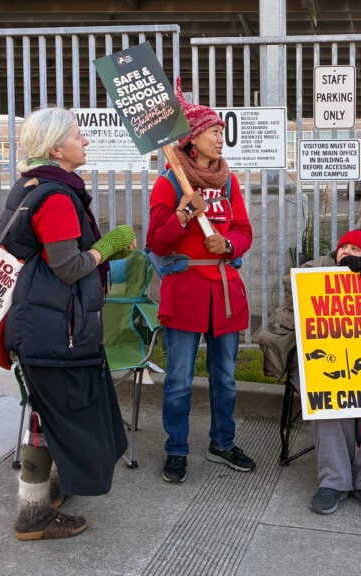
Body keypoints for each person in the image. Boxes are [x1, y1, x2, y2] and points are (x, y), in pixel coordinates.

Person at [0, 107, 135, 540]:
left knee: (49, 416)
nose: (86, 142)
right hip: (55, 331)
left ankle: (49, 492)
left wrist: (102, 252)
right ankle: (32, 515)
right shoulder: (56, 197)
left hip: (43, 324)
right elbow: (69, 266)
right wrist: (107, 247)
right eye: (79, 136)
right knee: (51, 421)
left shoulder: (32, 185)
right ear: (57, 148)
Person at [258, 229, 361, 515]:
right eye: (344, 248)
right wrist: (336, 275)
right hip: (320, 359)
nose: (348, 253)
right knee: (328, 392)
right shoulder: (315, 270)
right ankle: (335, 480)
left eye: (357, 250)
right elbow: (292, 291)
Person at [147, 78, 255, 484]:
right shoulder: (170, 182)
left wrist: (226, 242)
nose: (220, 137)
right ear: (192, 139)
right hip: (187, 290)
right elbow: (156, 240)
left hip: (225, 291)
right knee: (178, 380)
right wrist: (181, 216)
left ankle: (222, 443)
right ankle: (176, 449)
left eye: (221, 131)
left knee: (225, 376)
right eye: (213, 131)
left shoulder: (228, 181)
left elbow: (245, 231)